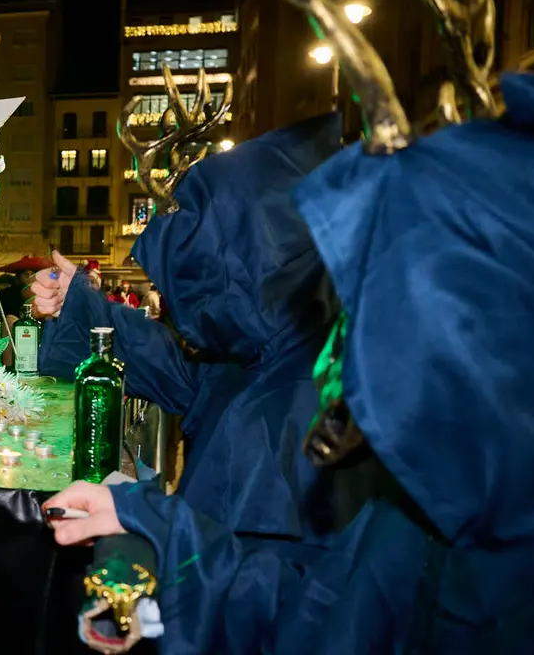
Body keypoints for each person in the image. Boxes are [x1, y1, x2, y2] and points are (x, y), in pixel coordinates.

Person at [33, 110, 346, 652]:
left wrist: (149, 522)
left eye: (199, 284)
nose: (181, 308)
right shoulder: (272, 351)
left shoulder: (306, 404)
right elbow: (182, 374)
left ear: (251, 267)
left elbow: (291, 607)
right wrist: (82, 303)